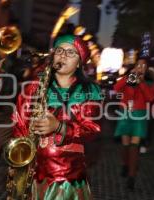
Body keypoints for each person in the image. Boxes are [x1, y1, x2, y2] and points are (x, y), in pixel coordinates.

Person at [9, 35, 103, 199]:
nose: (63, 55)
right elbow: (19, 125)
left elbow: (92, 130)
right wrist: (18, 163)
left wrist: (59, 127)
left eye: (71, 53)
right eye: (59, 50)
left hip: (68, 177)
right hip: (34, 173)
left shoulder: (89, 91)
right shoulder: (32, 88)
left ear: (80, 62)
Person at [113, 58, 154, 190]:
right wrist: (128, 76)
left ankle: (132, 177)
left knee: (134, 146)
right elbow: (116, 88)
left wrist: (141, 82)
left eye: (144, 65)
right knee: (125, 144)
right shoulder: (129, 78)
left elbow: (150, 98)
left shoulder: (149, 83)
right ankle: (126, 165)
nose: (140, 67)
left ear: (146, 69)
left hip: (139, 116)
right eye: (138, 65)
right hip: (125, 114)